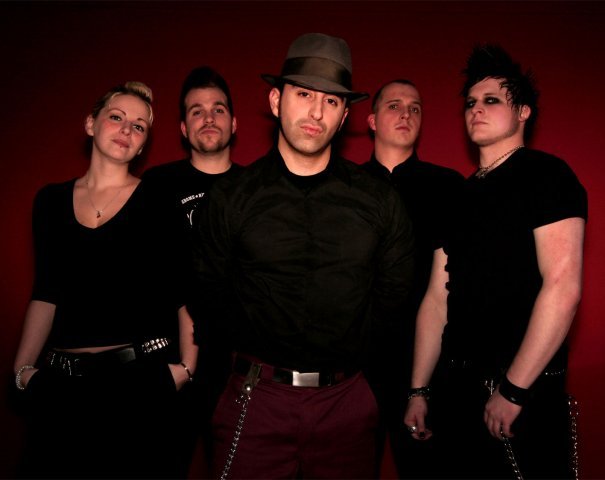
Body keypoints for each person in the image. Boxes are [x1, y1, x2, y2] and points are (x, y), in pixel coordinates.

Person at [188, 32, 415, 479]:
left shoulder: (379, 202)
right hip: (255, 400)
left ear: (345, 115)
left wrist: (362, 386)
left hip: (347, 404)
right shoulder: (231, 197)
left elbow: (394, 299)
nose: (316, 112)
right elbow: (207, 295)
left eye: (331, 101)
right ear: (276, 101)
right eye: (304, 94)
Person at [404, 44, 587, 479]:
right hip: (454, 387)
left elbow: (563, 287)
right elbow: (436, 299)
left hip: (521, 387)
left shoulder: (547, 175)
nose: (476, 110)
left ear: (523, 112)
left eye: (491, 100)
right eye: (470, 103)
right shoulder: (456, 196)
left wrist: (514, 390)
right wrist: (418, 389)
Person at [13, 81, 197, 479]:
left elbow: (186, 292)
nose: (127, 129)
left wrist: (186, 369)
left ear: (143, 144)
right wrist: (23, 370)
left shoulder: (160, 199)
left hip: (137, 383)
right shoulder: (50, 201)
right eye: (117, 117)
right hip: (61, 385)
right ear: (90, 124)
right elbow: (46, 291)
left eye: (139, 126)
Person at [141, 66, 241, 475]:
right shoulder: (155, 185)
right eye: (197, 111)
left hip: (239, 362)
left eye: (218, 109)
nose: (209, 118)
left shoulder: (258, 187)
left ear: (234, 123)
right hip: (168, 357)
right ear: (183, 128)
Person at [363, 79, 464, 477]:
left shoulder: (448, 187)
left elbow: (457, 286)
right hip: (355, 365)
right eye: (394, 105)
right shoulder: (342, 186)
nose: (406, 113)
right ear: (372, 120)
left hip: (429, 362)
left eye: (415, 107)